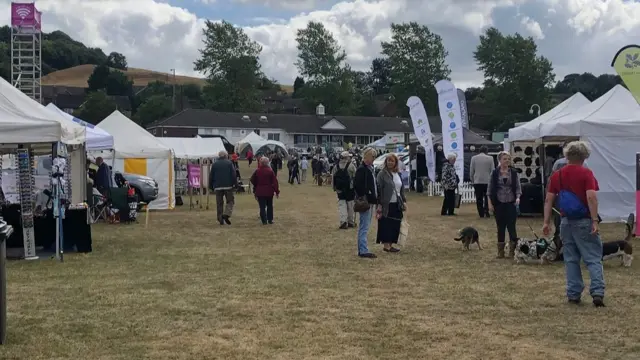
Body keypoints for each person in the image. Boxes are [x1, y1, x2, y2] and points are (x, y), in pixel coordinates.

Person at [543, 141, 604, 307]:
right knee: (593, 257)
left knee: (570, 259)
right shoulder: (586, 173)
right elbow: (591, 197)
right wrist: (594, 220)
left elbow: (549, 199)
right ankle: (597, 291)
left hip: (566, 221)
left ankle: (573, 293)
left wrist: (546, 221)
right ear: (584, 157)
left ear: (567, 155)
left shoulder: (558, 175)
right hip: (584, 219)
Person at [487, 151, 521, 258]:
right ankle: (500, 252)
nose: (507, 161)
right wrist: (490, 204)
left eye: (508, 159)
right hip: (499, 203)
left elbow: (518, 188)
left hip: (511, 203)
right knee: (500, 227)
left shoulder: (514, 173)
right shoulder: (495, 173)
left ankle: (512, 251)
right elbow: (489, 190)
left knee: (512, 227)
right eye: (504, 159)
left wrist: (518, 198)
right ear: (499, 160)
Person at [375, 153, 407, 253]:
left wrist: (404, 200)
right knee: (386, 223)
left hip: (397, 202)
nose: (390, 162)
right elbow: (379, 189)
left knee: (395, 223)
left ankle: (391, 243)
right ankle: (386, 245)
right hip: (386, 203)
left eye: (392, 161)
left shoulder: (398, 174)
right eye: (388, 160)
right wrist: (379, 203)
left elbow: (401, 189)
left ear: (395, 163)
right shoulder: (382, 174)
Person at [353, 147, 378, 259]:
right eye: (372, 156)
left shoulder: (369, 168)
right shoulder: (362, 169)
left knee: (366, 226)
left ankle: (363, 249)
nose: (374, 159)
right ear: (367, 156)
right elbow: (358, 185)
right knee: (364, 226)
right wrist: (366, 194)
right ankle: (363, 250)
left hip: (370, 201)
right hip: (365, 201)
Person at [209, 150, 237, 225]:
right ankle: (226, 214)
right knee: (230, 201)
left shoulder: (214, 164)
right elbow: (233, 174)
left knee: (219, 203)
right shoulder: (229, 163)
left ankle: (220, 218)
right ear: (225, 155)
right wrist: (235, 184)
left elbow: (211, 176)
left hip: (217, 186)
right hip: (228, 186)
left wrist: (210, 186)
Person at [251, 157, 280, 225]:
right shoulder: (270, 171)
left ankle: (264, 220)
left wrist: (256, 186)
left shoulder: (257, 171)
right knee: (270, 205)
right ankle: (270, 219)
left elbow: (252, 180)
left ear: (260, 163)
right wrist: (277, 191)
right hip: (269, 191)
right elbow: (275, 182)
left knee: (262, 207)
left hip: (260, 191)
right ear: (267, 163)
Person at [333, 151, 357, 229]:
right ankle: (351, 221)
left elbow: (333, 177)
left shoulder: (336, 166)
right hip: (350, 189)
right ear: (347, 157)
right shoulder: (351, 166)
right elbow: (355, 177)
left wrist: (334, 188)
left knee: (342, 205)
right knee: (350, 205)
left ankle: (343, 221)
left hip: (340, 189)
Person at [470, 146, 495, 218]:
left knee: (479, 198)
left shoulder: (474, 158)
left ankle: (481, 213)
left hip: (477, 181)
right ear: (486, 151)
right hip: (487, 181)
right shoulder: (490, 158)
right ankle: (486, 211)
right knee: (487, 197)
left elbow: (472, 170)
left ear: (479, 151)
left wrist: (472, 179)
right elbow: (492, 170)